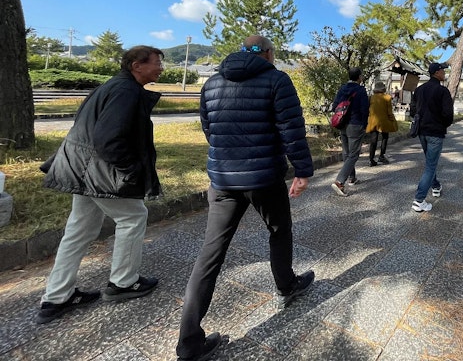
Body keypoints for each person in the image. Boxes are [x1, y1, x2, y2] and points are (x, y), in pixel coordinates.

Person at [176, 35, 314, 361]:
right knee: (279, 230)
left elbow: (209, 129)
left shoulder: (212, 83)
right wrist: (303, 170)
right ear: (268, 53)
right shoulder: (277, 80)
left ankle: (189, 343)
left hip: (223, 180)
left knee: (210, 254)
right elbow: (291, 129)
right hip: (264, 177)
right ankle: (286, 285)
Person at [36, 46, 165, 325]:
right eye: (156, 63)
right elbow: (108, 139)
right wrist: (129, 169)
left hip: (81, 167)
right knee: (133, 217)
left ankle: (57, 296)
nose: (161, 68)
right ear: (136, 65)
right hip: (98, 169)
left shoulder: (112, 86)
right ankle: (123, 282)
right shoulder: (126, 91)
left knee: (79, 230)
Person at [409, 62, 454, 212]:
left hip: (422, 131)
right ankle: (419, 200)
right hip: (435, 132)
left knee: (430, 162)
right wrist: (443, 124)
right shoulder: (442, 91)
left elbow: (412, 110)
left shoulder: (419, 90)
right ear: (436, 72)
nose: (444, 73)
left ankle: (435, 186)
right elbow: (448, 114)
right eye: (442, 71)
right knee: (430, 165)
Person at [330, 67, 369, 196]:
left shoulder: (342, 89)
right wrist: (364, 125)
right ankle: (340, 182)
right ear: (359, 77)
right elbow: (365, 110)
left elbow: (335, 106)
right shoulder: (361, 90)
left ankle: (352, 178)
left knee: (347, 152)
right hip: (356, 124)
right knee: (353, 154)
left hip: (342, 124)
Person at [366, 81, 399, 166]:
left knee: (373, 140)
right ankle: (382, 156)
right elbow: (389, 112)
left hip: (373, 121)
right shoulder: (387, 97)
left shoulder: (371, 98)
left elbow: (368, 110)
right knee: (385, 137)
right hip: (384, 121)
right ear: (383, 88)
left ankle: (371, 159)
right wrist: (392, 120)